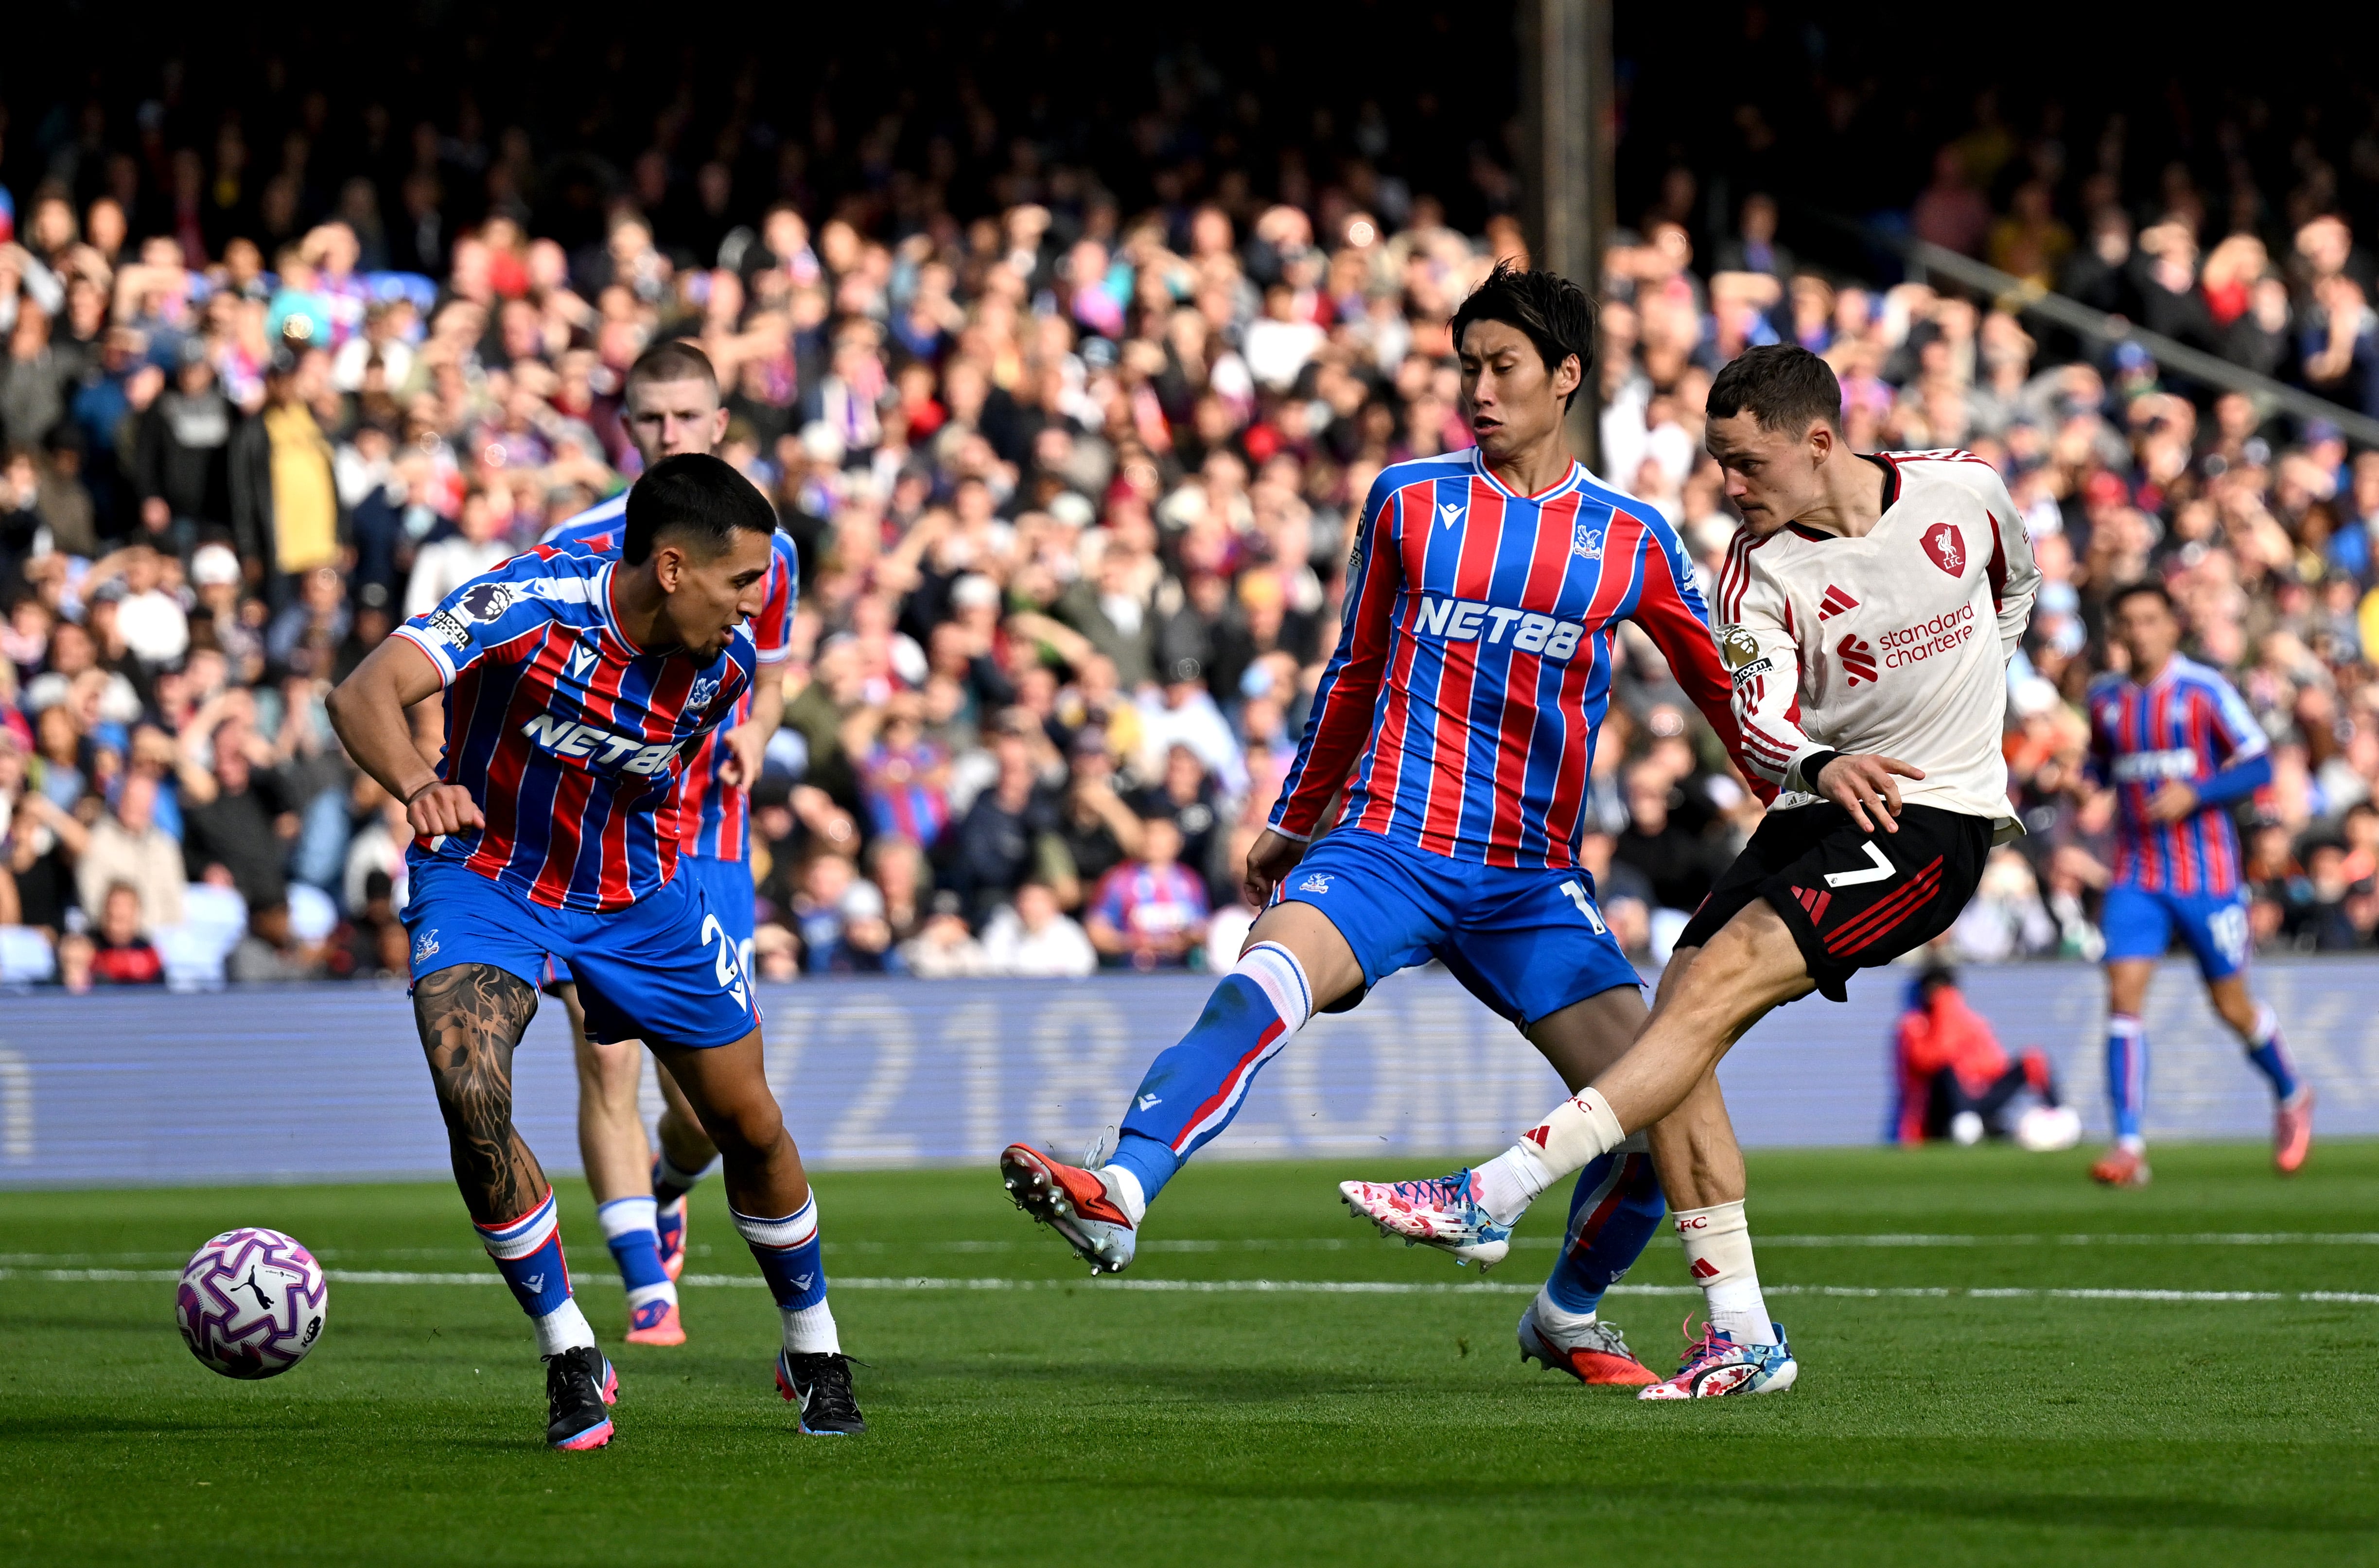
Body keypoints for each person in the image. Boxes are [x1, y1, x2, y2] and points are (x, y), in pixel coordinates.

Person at [999, 263, 1776, 1391]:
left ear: (1566, 376)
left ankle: (1566, 1311)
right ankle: (1120, 1189)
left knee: (1661, 1102)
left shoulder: (1634, 535)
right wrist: (1292, 818)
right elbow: (1356, 671)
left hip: (1529, 881)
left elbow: (1727, 698)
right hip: (1389, 842)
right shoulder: (1410, 500)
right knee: (1264, 971)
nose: (1479, 389)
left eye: (1502, 366)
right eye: (1467, 367)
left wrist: (1806, 788)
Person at [1343, 343, 2039, 1399]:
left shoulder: (1962, 488)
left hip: (1928, 821)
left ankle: (1497, 1187)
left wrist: (1966, 726)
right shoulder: (1757, 572)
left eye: (1745, 463)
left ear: (1818, 441)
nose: (1728, 486)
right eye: (1718, 464)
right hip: (1817, 802)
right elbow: (1754, 731)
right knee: (1681, 1023)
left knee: (1705, 993)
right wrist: (1817, 757)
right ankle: (1740, 1330)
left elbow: (2013, 584)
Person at [325, 453, 862, 1449]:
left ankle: (814, 1346)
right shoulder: (524, 603)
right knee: (470, 1085)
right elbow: (361, 692)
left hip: (636, 896)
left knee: (745, 1123)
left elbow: (645, 781)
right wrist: (416, 782)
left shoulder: (722, 668)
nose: (756, 604)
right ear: (670, 567)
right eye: (742, 580)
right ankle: (570, 1348)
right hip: (485, 876)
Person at [537, 339, 800, 1347]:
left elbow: (769, 674)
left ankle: (671, 1178)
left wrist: (758, 733)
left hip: (711, 842)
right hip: (596, 843)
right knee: (606, 1065)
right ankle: (646, 1287)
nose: (665, 435)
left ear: (719, 423)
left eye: (684, 418)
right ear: (623, 423)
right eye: (647, 419)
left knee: (708, 1104)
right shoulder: (577, 543)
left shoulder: (761, 550)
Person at [2082, 581, 2312, 1185]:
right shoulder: (2105, 700)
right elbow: (2101, 765)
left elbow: (2260, 762)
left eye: (2150, 619)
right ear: (2115, 631)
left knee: (2230, 1006)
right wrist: (2079, 778)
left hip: (2205, 874)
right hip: (2135, 873)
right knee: (2122, 995)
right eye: (2126, 621)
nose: (2138, 631)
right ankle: (2128, 1147)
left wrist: (2198, 791)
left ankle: (2291, 1093)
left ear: (2171, 626)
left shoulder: (2204, 690)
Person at [1891, 966, 2061, 1145]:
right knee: (1946, 1071)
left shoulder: (1973, 1021)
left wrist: (1975, 1079)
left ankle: (2059, 1119)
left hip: (1981, 1094)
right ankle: (1972, 1125)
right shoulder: (1913, 1025)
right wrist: (1944, 1012)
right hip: (1942, 1107)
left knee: (2034, 1059)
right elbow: (1927, 1061)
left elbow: (1995, 1062)